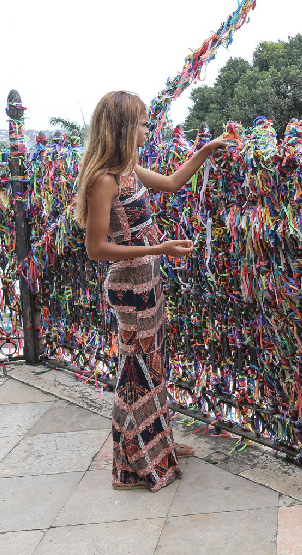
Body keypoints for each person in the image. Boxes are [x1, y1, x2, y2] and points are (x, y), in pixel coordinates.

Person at [77, 91, 227, 490]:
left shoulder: (129, 171)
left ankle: (161, 444)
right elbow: (96, 248)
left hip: (149, 279)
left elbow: (175, 182)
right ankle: (137, 461)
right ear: (123, 128)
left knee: (152, 365)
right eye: (142, 123)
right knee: (136, 370)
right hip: (129, 285)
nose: (148, 129)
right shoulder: (104, 180)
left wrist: (206, 151)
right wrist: (159, 247)